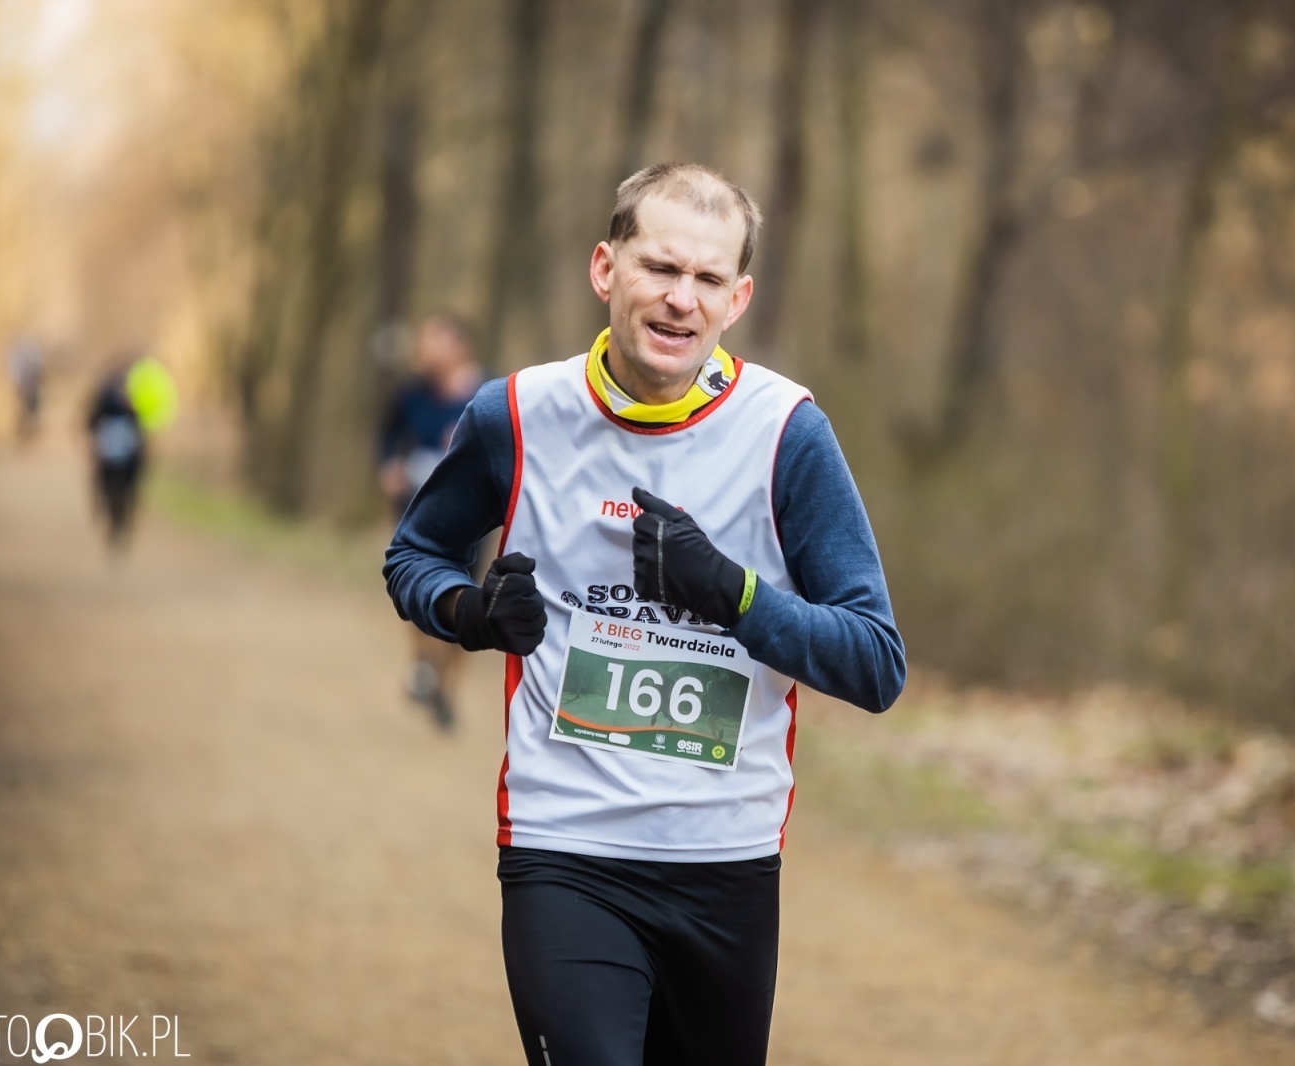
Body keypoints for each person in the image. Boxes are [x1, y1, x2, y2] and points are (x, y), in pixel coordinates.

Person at [384, 163, 904, 1066]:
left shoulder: (786, 432)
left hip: (726, 863)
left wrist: (733, 595)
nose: (679, 300)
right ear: (605, 269)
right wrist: (468, 611)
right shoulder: (517, 413)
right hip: (564, 846)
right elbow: (412, 557)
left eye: (707, 279)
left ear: (738, 297)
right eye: (659, 268)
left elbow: (875, 663)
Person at [377, 312, 485, 730]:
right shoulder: (410, 393)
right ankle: (422, 664)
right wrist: (389, 466)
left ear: (459, 347)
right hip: (415, 507)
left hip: (473, 516)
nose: (422, 350)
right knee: (410, 582)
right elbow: (386, 438)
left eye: (431, 341)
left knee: (466, 600)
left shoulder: (488, 395)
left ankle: (446, 688)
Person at [86, 361, 145, 549]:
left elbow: (91, 423)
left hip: (119, 453)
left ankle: (117, 521)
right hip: (114, 452)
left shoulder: (125, 404)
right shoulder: (115, 403)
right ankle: (116, 521)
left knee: (117, 489)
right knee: (115, 489)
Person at [8, 338, 44, 444]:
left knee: (29, 412)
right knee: (26, 412)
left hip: (29, 387)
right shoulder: (31, 355)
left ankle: (28, 436)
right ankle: (26, 436)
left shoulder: (24, 356)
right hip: (27, 387)